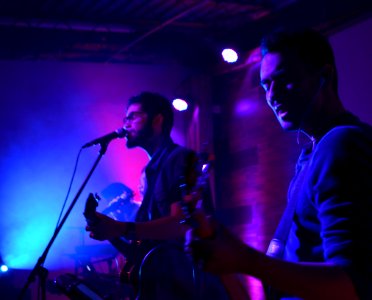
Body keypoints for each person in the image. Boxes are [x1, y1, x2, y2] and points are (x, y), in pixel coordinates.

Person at [186, 29, 372, 300]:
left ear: (325, 76)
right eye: (265, 85)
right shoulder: (312, 154)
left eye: (283, 80)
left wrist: (243, 259)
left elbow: (353, 285)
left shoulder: (342, 144)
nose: (272, 95)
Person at [86, 92, 229, 300]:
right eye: (125, 118)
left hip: (185, 288)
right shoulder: (148, 172)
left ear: (158, 120)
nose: (125, 124)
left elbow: (181, 224)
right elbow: (149, 249)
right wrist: (111, 233)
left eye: (133, 116)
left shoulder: (180, 159)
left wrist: (122, 228)